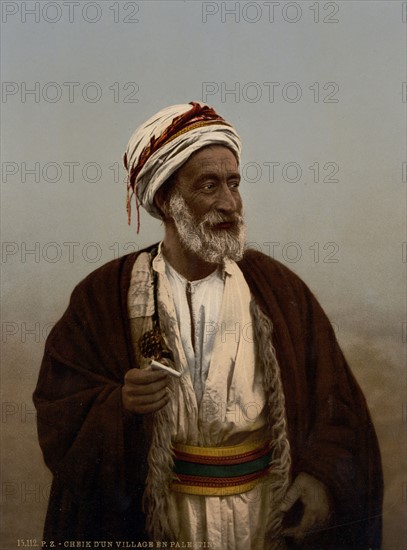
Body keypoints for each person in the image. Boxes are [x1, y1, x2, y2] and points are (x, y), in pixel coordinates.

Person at [33, 101, 383, 549]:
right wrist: (120, 404)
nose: (229, 202)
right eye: (208, 185)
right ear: (165, 199)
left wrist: (320, 475)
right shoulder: (102, 297)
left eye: (233, 184)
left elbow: (335, 404)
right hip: (156, 521)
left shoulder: (278, 290)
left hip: (264, 517)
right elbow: (60, 412)